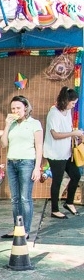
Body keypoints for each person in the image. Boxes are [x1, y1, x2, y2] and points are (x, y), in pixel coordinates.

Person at [0, 95, 44, 238]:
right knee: (15, 198)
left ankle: (26, 230)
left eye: (18, 108)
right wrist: (6, 125)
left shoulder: (34, 123)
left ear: (26, 108)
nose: (15, 110)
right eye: (13, 108)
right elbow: (3, 144)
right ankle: (17, 228)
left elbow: (39, 146)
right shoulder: (11, 124)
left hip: (27, 162)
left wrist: (37, 167)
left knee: (25, 198)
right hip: (11, 162)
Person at [43, 87, 83, 219]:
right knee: (57, 180)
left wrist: (75, 137)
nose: (74, 105)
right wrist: (73, 133)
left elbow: (67, 129)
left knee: (75, 175)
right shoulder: (54, 113)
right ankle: (54, 209)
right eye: (72, 103)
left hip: (66, 151)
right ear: (66, 101)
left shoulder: (68, 112)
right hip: (55, 153)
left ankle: (69, 202)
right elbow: (55, 134)